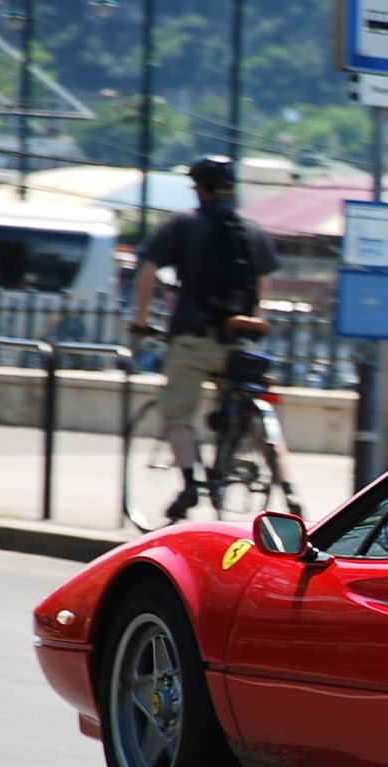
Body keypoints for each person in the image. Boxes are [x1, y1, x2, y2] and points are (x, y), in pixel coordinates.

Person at [129, 154, 281, 521]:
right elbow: (264, 281)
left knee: (177, 414)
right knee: (238, 401)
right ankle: (260, 466)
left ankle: (190, 483)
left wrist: (142, 320)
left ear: (199, 189)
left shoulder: (183, 224)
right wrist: (251, 319)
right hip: (237, 339)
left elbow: (147, 271)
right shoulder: (252, 228)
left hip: (193, 338)